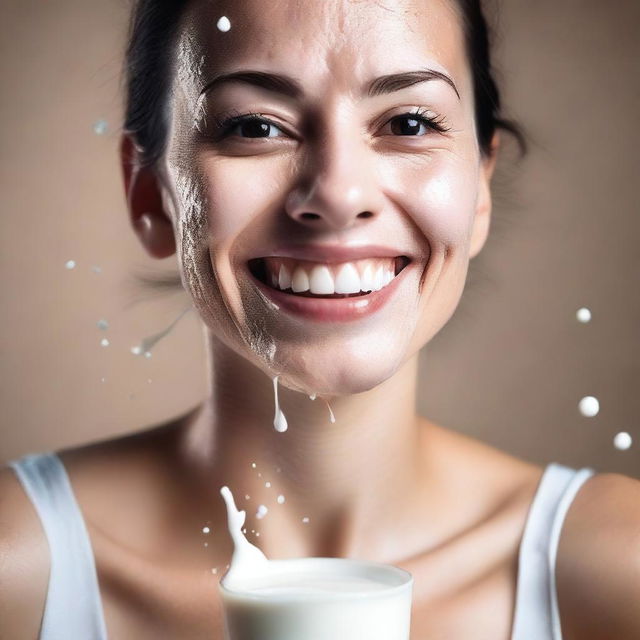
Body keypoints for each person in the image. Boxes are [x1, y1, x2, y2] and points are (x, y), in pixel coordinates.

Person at [1, 0, 639, 638]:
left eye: (410, 122)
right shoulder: (16, 568)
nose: (337, 195)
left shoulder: (619, 567)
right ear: (153, 195)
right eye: (254, 127)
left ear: (479, 189)